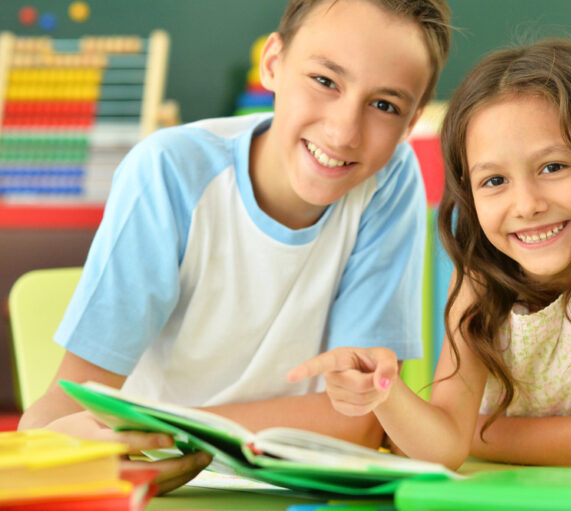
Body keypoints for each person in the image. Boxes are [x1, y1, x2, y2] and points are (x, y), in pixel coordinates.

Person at [18, 0, 452, 493]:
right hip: (159, 485)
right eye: (325, 81)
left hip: (292, 491)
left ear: (413, 120)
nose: (343, 131)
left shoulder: (389, 181)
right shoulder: (167, 174)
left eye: (384, 106)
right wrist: (68, 442)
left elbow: (357, 416)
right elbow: (58, 412)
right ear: (273, 63)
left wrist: (175, 430)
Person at [287, 38, 571, 470]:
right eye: (494, 181)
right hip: (519, 492)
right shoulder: (480, 273)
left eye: (552, 167)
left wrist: (461, 433)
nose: (526, 205)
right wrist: (385, 392)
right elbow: (443, 445)